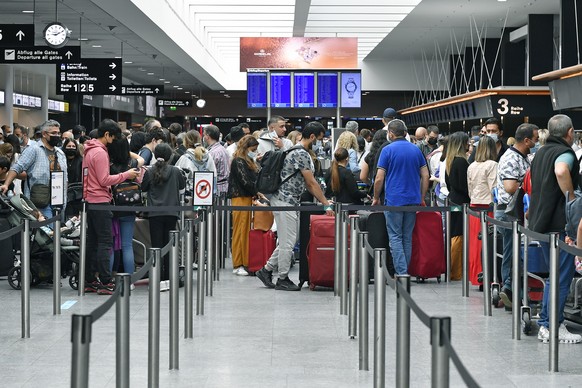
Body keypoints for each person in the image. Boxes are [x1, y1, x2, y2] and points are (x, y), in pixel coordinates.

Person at [256, 121, 334, 291]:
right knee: (288, 242)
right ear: (312, 137)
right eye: (318, 140)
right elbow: (311, 183)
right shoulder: (301, 154)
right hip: (286, 200)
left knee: (289, 239)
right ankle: (282, 278)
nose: (319, 144)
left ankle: (266, 270)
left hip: (286, 199)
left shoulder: (294, 150)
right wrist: (326, 204)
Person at [529, 114, 582, 343]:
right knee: (561, 276)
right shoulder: (565, 153)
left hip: (540, 222)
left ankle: (545, 323)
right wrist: (571, 199)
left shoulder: (540, 152)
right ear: (570, 132)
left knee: (554, 275)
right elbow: (561, 171)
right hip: (559, 225)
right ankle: (553, 326)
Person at [82, 119, 140, 295]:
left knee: (92, 243)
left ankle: (90, 280)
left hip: (90, 200)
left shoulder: (88, 150)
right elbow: (104, 180)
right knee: (105, 243)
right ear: (106, 135)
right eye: (113, 138)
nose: (113, 142)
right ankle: (106, 281)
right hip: (100, 201)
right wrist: (126, 175)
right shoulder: (100, 153)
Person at [372, 119, 429, 275]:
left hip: (393, 201)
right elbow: (425, 175)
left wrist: (376, 197)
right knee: (406, 237)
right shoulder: (416, 150)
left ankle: (402, 272)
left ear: (390, 133)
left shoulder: (387, 150)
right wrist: (422, 197)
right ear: (405, 133)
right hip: (413, 200)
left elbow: (379, 178)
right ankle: (404, 271)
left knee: (395, 237)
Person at [495, 123, 538, 308]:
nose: (537, 141)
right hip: (508, 211)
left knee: (513, 252)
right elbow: (510, 187)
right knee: (511, 252)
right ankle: (509, 289)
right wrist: (526, 182)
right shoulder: (511, 158)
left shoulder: (523, 157)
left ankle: (511, 289)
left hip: (516, 211)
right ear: (526, 140)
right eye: (535, 138)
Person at [0, 120, 67, 219]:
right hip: (39, 202)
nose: (57, 135)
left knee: (57, 232)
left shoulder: (60, 153)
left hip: (59, 201)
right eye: (53, 133)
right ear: (44, 134)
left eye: (58, 133)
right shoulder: (34, 149)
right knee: (46, 232)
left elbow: (65, 178)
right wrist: (6, 184)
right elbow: (17, 167)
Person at [142, 143, 186, 291]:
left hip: (154, 213)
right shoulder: (176, 171)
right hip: (172, 212)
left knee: (156, 246)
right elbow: (182, 189)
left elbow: (143, 188)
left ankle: (157, 277)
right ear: (170, 156)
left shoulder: (149, 171)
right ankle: (169, 277)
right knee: (169, 246)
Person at [228, 135, 266, 276]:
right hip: (240, 198)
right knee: (239, 230)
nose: (254, 152)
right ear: (245, 148)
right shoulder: (238, 161)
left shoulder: (248, 160)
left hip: (246, 198)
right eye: (253, 149)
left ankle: (245, 262)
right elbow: (245, 181)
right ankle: (238, 264)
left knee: (245, 231)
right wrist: (257, 192)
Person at [108, 135, 144, 285]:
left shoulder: (109, 165)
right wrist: (127, 152)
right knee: (127, 245)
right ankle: (129, 280)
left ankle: (108, 279)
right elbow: (142, 159)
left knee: (111, 245)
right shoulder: (133, 163)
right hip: (129, 207)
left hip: (112, 208)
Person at [466, 136, 498, 286]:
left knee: (475, 245)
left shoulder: (471, 165)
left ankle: (476, 276)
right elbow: (495, 188)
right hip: (488, 209)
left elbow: (470, 189)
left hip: (474, 208)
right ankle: (487, 276)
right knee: (488, 244)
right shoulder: (493, 165)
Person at [444, 131, 470, 280]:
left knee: (453, 234)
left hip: (453, 200)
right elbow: (464, 185)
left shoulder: (450, 160)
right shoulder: (461, 162)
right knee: (459, 235)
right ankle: (456, 271)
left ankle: (453, 269)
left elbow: (449, 184)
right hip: (461, 202)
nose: (469, 145)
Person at [175, 130, 216, 196]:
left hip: (190, 196)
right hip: (206, 195)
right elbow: (214, 176)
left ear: (186, 142)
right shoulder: (208, 156)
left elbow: (178, 179)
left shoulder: (184, 158)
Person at [203, 125, 230, 196]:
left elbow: (208, 171)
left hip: (217, 189)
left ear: (208, 136)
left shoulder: (213, 153)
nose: (203, 137)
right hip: (225, 187)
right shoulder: (223, 149)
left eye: (204, 135)